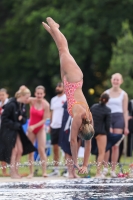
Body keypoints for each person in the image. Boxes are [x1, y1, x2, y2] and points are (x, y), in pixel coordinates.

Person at [42, 17, 94, 174]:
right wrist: (77, 163)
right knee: (63, 50)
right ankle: (55, 27)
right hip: (74, 79)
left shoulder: (89, 121)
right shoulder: (80, 117)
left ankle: (53, 31)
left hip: (70, 82)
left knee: (62, 49)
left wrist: (84, 165)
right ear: (80, 130)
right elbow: (73, 141)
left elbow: (89, 144)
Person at [0, 87, 36, 179]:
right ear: (21, 96)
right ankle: (12, 172)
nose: (28, 100)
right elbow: (4, 119)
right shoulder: (11, 105)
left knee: (20, 150)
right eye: (27, 98)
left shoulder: (22, 105)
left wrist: (22, 119)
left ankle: (16, 170)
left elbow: (24, 117)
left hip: (17, 129)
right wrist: (15, 123)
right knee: (14, 150)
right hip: (8, 130)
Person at [103, 73, 129, 178]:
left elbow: (125, 111)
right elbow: (103, 108)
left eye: (118, 80)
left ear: (121, 81)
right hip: (109, 117)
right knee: (107, 144)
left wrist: (126, 126)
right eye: (114, 79)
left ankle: (113, 169)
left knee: (115, 145)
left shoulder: (124, 94)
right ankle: (105, 168)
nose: (116, 81)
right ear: (111, 80)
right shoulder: (106, 93)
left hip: (119, 118)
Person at [27, 85, 50, 178]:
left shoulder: (46, 105)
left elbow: (45, 119)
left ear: (44, 94)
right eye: (38, 93)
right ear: (35, 93)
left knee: (41, 149)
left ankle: (44, 171)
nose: (39, 95)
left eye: (41, 93)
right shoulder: (32, 101)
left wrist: (34, 126)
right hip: (31, 128)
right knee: (30, 151)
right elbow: (24, 98)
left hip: (40, 128)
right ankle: (31, 172)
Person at [90, 93, 111, 178]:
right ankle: (98, 173)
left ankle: (84, 169)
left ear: (100, 98)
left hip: (92, 131)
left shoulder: (94, 107)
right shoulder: (107, 110)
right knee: (101, 153)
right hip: (101, 132)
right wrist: (107, 132)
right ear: (108, 101)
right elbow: (107, 124)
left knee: (88, 151)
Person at [59, 101, 80, 178]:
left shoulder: (79, 102)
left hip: (76, 128)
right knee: (67, 151)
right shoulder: (67, 104)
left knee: (75, 151)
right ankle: (70, 172)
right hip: (67, 129)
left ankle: (74, 172)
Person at [49, 82, 66, 176]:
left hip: (63, 125)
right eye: (57, 86)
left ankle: (67, 168)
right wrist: (50, 124)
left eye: (59, 86)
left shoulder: (66, 98)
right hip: (54, 125)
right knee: (55, 148)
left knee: (65, 148)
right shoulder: (53, 99)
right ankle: (56, 169)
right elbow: (52, 112)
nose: (57, 88)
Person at [0, 88, 9, 176]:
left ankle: (12, 169)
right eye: (0, 95)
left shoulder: (9, 104)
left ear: (7, 95)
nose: (1, 97)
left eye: (3, 95)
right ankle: (4, 172)